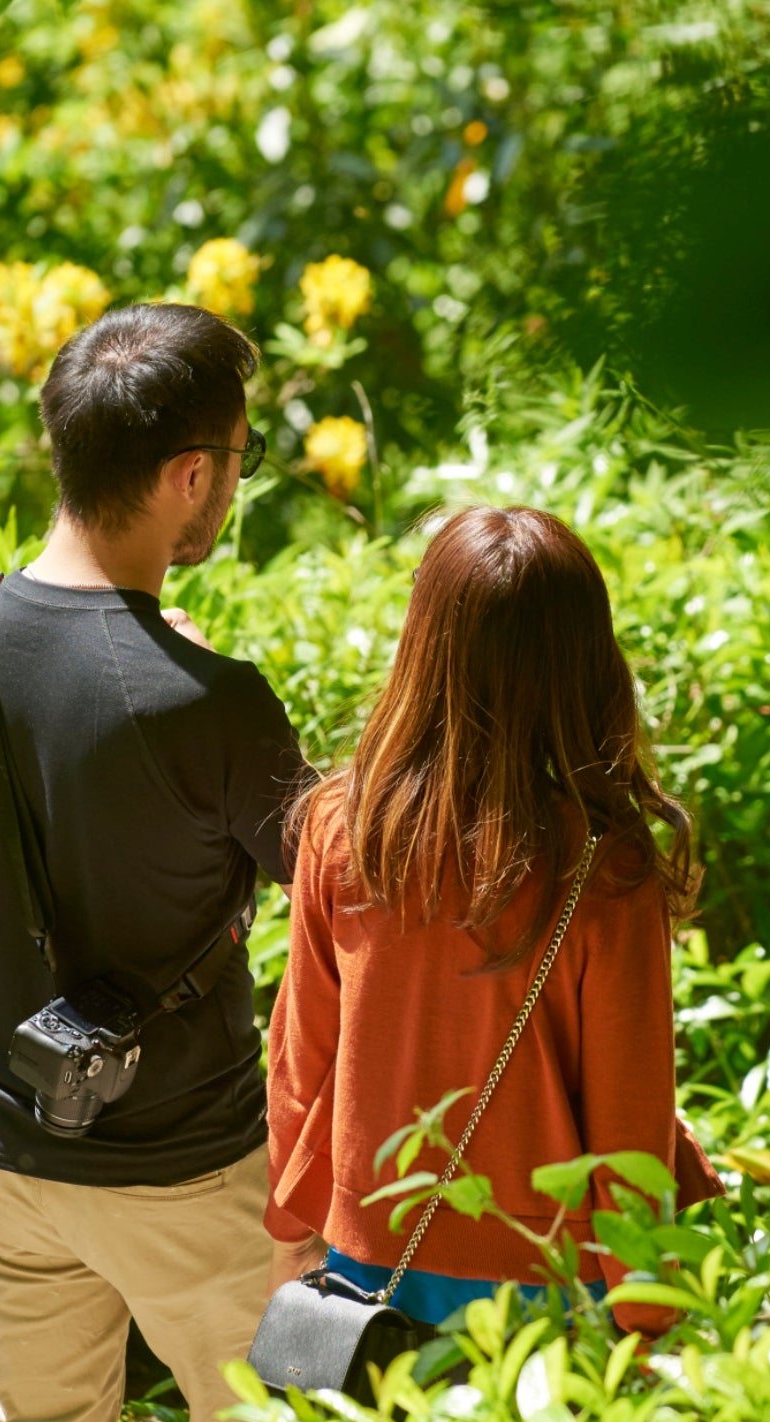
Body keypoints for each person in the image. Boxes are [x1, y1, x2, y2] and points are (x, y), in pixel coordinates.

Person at [0, 303, 312, 1422]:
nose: (235, 484)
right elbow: (345, 891)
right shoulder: (213, 701)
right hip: (184, 1170)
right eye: (239, 459)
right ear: (190, 474)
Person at [264, 506, 699, 1335]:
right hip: (546, 1275)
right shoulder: (603, 868)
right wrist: (647, 1316)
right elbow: (628, 1115)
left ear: (425, 648)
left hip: (370, 1262)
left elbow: (301, 1059)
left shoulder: (343, 828)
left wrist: (291, 1233)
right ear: (585, 662)